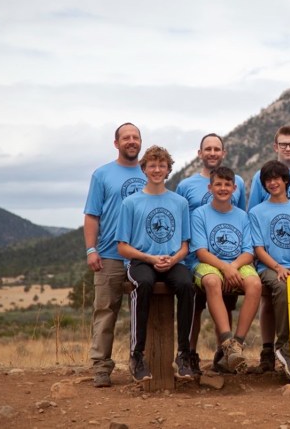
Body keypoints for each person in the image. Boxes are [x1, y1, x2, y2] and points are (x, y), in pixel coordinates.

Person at [116, 145, 196, 382]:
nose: (157, 169)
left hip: (172, 261)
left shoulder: (179, 202)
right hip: (141, 261)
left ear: (169, 169)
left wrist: (174, 259)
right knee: (144, 283)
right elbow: (122, 246)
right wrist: (150, 258)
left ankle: (183, 354)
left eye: (162, 165)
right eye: (152, 165)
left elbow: (185, 245)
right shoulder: (130, 203)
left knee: (187, 285)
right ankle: (137, 355)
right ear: (144, 168)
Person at [246, 125, 290, 373]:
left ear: (286, 180)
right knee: (283, 288)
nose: (273, 183)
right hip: (269, 265)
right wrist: (277, 267)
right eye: (269, 180)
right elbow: (257, 246)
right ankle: (283, 347)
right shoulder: (256, 212)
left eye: (278, 179)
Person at [83, 122, 147, 388]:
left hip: (143, 256)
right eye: (126, 137)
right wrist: (91, 249)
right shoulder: (102, 175)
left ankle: (143, 361)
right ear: (116, 143)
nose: (131, 141)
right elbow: (91, 215)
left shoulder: (151, 172)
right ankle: (101, 367)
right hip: (109, 255)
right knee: (106, 311)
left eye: (136, 137)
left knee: (145, 311)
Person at [176, 133, 244, 373]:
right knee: (194, 308)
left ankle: (222, 355)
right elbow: (180, 221)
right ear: (200, 153)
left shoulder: (239, 183)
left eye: (217, 149)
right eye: (208, 149)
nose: (212, 153)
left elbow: (239, 216)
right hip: (196, 258)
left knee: (226, 304)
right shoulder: (185, 185)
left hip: (228, 257)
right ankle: (189, 355)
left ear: (223, 153)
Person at [191, 166, 261, 374]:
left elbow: (249, 252)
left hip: (237, 263)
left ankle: (237, 345)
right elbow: (201, 252)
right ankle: (226, 342)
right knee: (212, 282)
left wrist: (233, 267)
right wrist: (224, 268)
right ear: (210, 187)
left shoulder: (242, 216)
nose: (223, 188)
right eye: (218, 184)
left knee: (255, 284)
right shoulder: (200, 214)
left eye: (227, 185)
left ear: (235, 188)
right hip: (208, 264)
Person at [247, 125, 290, 209]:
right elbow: (252, 214)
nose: (288, 149)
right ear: (276, 147)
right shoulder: (261, 176)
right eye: (283, 144)